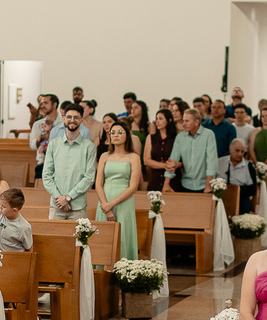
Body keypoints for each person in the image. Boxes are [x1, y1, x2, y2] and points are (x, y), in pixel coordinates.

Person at [94, 120, 141, 260]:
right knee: (104, 237)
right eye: (112, 132)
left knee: (123, 236)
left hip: (123, 202)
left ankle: (124, 267)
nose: (115, 135)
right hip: (104, 202)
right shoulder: (104, 156)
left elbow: (133, 187)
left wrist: (112, 204)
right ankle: (101, 268)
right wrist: (106, 206)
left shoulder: (134, 157)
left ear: (127, 135)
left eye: (120, 132)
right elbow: (98, 184)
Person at [42, 103, 97, 219]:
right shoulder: (53, 145)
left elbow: (89, 177)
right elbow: (46, 175)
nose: (72, 120)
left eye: (76, 117)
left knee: (79, 233)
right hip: (56, 205)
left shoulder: (89, 147)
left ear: (81, 120)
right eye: (69, 117)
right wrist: (59, 198)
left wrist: (68, 197)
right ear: (63, 119)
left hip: (78, 206)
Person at [165, 108, 217, 194]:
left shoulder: (208, 135)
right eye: (183, 121)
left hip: (204, 185)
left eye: (187, 121)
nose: (183, 124)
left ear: (196, 122)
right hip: (186, 184)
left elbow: (211, 161)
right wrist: (166, 184)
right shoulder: (180, 137)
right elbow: (173, 161)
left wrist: (208, 185)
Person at [218, 138, 256, 214]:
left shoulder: (249, 166)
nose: (240, 154)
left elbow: (252, 189)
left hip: (241, 199)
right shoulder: (219, 162)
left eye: (242, 152)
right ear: (230, 149)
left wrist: (235, 190)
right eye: (237, 151)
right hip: (222, 197)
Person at [143, 108, 177, 191]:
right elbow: (146, 160)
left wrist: (173, 164)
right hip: (155, 179)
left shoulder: (175, 138)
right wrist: (164, 165)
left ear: (169, 120)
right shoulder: (151, 137)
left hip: (172, 179)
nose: (157, 121)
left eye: (161, 119)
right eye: (157, 118)